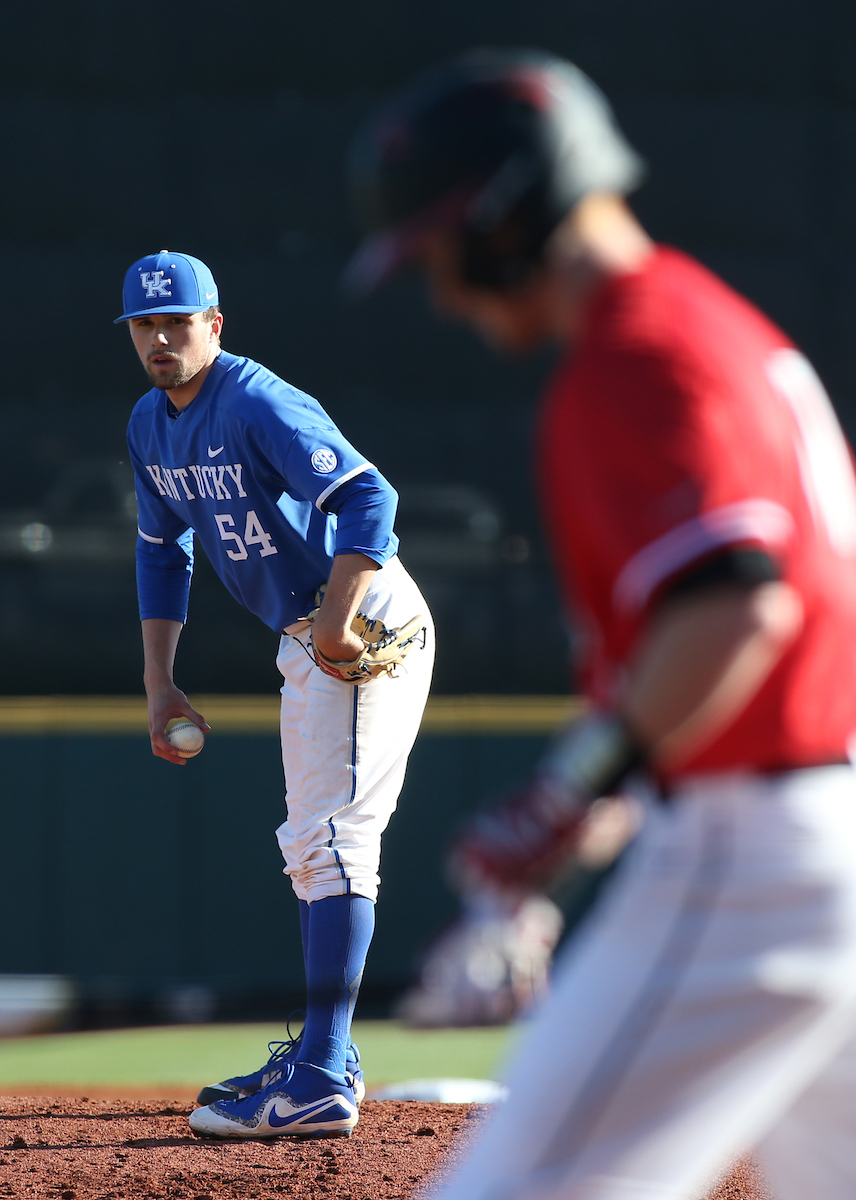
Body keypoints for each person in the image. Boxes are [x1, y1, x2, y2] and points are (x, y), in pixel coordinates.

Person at [344, 49, 856, 1199]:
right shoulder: (723, 329)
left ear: (500, 214)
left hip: (749, 860)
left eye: (439, 251)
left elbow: (737, 607)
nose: (444, 291)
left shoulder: (634, 355)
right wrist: (581, 822)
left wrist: (562, 792)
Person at [117, 250, 434, 1140]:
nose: (160, 337)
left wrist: (337, 619)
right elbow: (160, 551)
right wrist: (158, 679)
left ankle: (322, 1075)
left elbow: (370, 495)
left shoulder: (253, 399)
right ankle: (322, 1055)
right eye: (145, 323)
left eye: (177, 320)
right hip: (307, 637)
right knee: (309, 847)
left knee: (333, 841)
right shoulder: (149, 424)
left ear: (215, 325)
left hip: (360, 622)